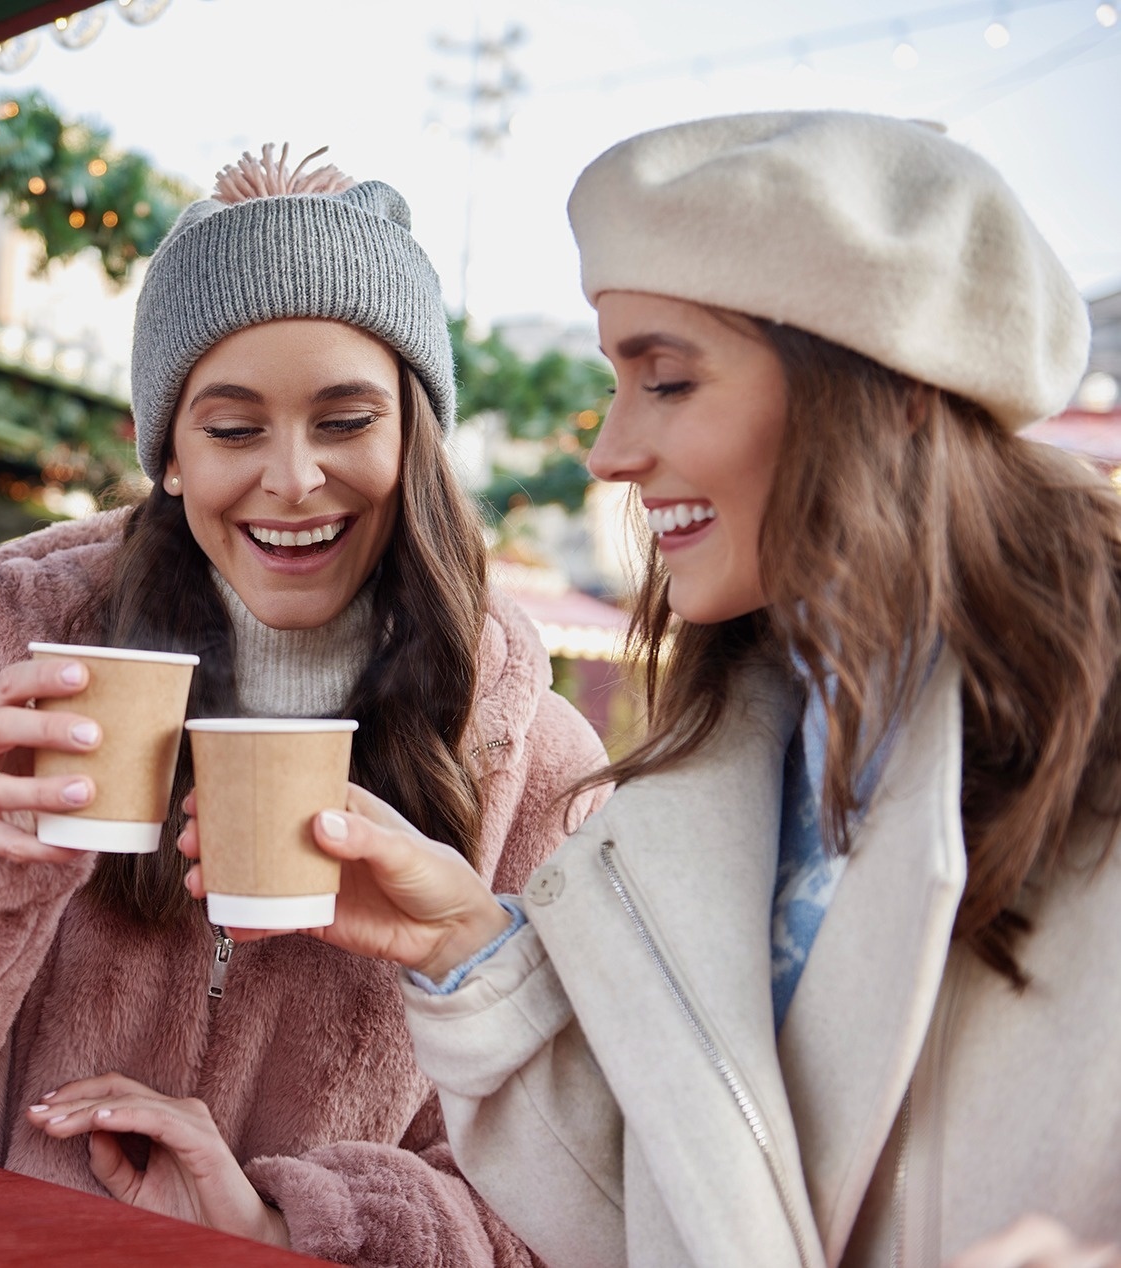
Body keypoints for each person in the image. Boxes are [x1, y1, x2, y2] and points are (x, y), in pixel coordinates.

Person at [183, 112, 1121, 1267]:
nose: (611, 450)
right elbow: (686, 1215)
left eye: (667, 381)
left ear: (892, 388)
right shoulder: (736, 753)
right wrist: (470, 952)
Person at [0, 145, 606, 1266]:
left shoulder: (529, 759)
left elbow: (579, 1202)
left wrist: (289, 1225)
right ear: (168, 452)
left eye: (343, 420)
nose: (291, 478)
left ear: (411, 437)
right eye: (231, 429)